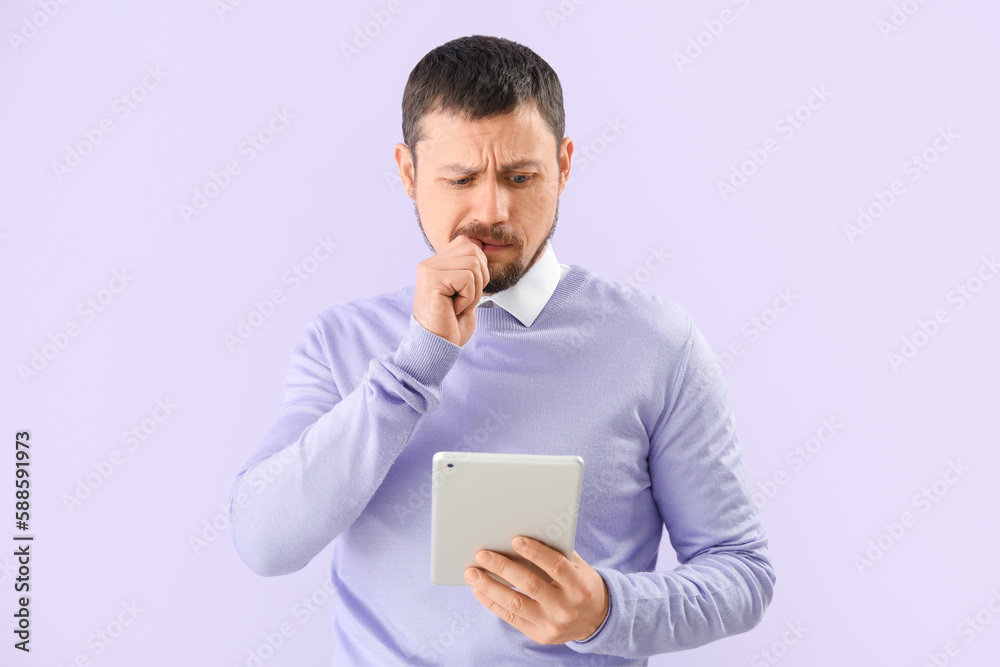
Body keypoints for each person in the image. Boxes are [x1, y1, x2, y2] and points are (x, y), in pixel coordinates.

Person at [228, 34, 775, 666]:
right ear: (408, 174)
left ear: (563, 166)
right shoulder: (340, 342)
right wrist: (415, 365)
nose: (493, 209)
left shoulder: (657, 344)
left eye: (521, 176)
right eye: (460, 178)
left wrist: (607, 610)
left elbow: (742, 572)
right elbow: (264, 543)